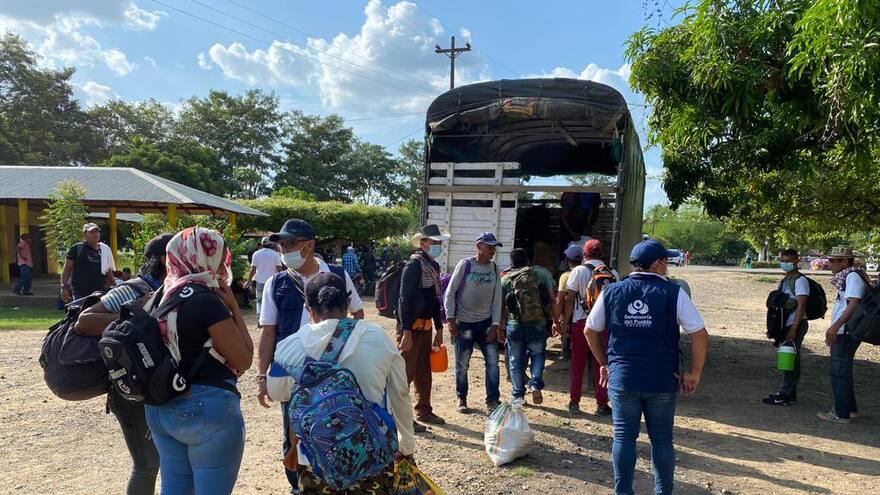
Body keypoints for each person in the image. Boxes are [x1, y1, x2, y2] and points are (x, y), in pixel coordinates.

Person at [586, 239, 709, 495]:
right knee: (662, 439)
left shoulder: (612, 291)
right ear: (657, 264)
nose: (666, 267)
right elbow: (699, 333)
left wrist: (605, 364)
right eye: (665, 262)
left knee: (623, 438)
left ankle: (623, 492)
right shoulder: (674, 293)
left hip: (623, 379)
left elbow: (590, 330)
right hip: (661, 379)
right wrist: (693, 373)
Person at [273, 272, 416, 493]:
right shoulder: (377, 337)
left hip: (315, 461)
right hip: (372, 457)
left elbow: (277, 393)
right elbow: (400, 394)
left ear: (308, 309)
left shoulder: (288, 347)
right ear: (348, 303)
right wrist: (406, 445)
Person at [257, 219, 364, 493]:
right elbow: (268, 333)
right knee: (293, 434)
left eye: (290, 243)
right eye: (281, 244)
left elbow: (358, 313)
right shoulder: (276, 284)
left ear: (309, 245)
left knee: (338, 427)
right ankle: (298, 487)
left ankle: (337, 480)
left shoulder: (337, 275)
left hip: (336, 374)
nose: (284, 249)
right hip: (294, 375)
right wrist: (262, 376)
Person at [145, 227, 254, 495]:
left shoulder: (160, 296)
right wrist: (235, 308)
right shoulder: (206, 300)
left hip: (161, 407)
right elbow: (244, 358)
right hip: (206, 407)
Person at [74, 233, 173, 495]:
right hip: (129, 390)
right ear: (165, 258)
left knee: (165, 461)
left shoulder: (172, 289)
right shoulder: (135, 288)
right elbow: (83, 321)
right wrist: (133, 312)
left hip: (156, 387)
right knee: (147, 464)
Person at [444, 232, 504, 415]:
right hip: (464, 324)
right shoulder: (466, 265)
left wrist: (495, 324)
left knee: (493, 362)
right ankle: (461, 397)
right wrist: (451, 319)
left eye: (494, 247)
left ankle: (492, 400)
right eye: (490, 246)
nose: (493, 250)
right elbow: (450, 293)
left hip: (486, 323)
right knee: (462, 363)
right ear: (479, 246)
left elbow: (497, 299)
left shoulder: (494, 269)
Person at [398, 224, 448, 430]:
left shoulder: (433, 267)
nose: (437, 246)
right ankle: (401, 418)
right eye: (434, 242)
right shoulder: (414, 266)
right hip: (411, 328)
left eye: (439, 242)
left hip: (426, 327)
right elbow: (403, 299)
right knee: (405, 374)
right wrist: (406, 331)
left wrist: (439, 328)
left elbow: (434, 299)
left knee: (424, 372)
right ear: (423, 243)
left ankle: (424, 411)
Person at [561, 239, 617, 415]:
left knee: (578, 363)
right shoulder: (612, 272)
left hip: (582, 322)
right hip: (604, 325)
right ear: (602, 254)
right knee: (602, 363)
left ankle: (574, 402)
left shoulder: (578, 271)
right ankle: (601, 404)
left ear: (584, 254)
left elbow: (570, 298)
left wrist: (566, 321)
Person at [817, 245, 870, 424]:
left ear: (845, 261)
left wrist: (835, 326)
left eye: (833, 261)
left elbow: (853, 303)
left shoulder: (852, 277)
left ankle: (841, 413)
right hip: (846, 330)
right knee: (843, 370)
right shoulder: (852, 276)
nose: (829, 264)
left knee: (838, 371)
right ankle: (849, 409)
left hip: (846, 331)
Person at [501, 248, 558, 405]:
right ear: (528, 260)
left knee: (515, 360)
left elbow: (501, 306)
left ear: (511, 262)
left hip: (515, 325)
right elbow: (552, 300)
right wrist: (556, 321)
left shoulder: (506, 279)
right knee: (538, 354)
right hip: (537, 323)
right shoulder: (542, 274)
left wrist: (499, 326)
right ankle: (535, 384)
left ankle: (518, 395)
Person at [763, 248, 809, 406]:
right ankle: (789, 393)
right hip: (786, 324)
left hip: (795, 324)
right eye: (782, 260)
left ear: (796, 261)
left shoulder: (800, 280)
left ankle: (784, 393)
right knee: (790, 358)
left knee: (790, 359)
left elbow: (801, 305)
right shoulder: (785, 280)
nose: (784, 263)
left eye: (787, 261)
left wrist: (794, 328)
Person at [60, 223, 116, 302]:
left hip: (100, 292)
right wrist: (64, 287)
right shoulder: (77, 249)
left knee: (96, 314)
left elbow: (108, 272)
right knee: (81, 313)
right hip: (80, 292)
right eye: (92, 232)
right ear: (85, 235)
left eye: (97, 231)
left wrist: (115, 287)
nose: (95, 234)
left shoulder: (104, 250)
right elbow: (66, 270)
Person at [556, 245, 583, 359]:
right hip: (582, 310)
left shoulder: (565, 276)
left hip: (569, 310)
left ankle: (566, 351)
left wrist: (556, 318)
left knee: (566, 330)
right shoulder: (587, 272)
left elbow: (560, 298)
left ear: (567, 260)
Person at [245, 237, 283, 317]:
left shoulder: (256, 254)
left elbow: (253, 269)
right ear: (271, 244)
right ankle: (269, 317)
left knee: (259, 300)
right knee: (271, 300)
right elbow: (279, 269)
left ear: (262, 244)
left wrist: (249, 281)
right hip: (272, 281)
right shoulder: (275, 254)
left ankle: (259, 316)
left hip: (259, 281)